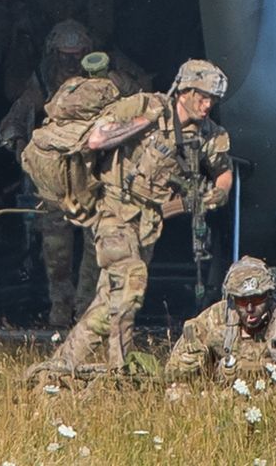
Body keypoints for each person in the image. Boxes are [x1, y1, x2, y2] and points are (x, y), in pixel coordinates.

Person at [34, 59, 233, 375]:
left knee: (106, 306)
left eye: (212, 100)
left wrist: (218, 193)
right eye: (202, 96)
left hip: (149, 224)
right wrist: (141, 123)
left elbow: (224, 170)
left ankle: (62, 364)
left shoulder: (207, 134)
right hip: (114, 212)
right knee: (131, 285)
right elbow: (96, 139)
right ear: (184, 90)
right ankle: (119, 369)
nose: (207, 105)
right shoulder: (145, 106)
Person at [0, 21, 146, 326]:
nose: (70, 62)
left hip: (97, 172)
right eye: (64, 55)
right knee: (56, 248)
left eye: (77, 55)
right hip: (58, 173)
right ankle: (60, 308)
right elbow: (22, 107)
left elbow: (143, 99)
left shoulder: (111, 73)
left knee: (96, 246)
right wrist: (23, 146)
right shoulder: (44, 76)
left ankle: (86, 310)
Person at [166, 256, 276, 395]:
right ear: (232, 300)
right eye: (241, 300)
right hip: (224, 403)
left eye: (257, 299)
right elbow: (175, 372)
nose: (250, 308)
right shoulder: (216, 317)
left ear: (269, 296)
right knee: (177, 392)